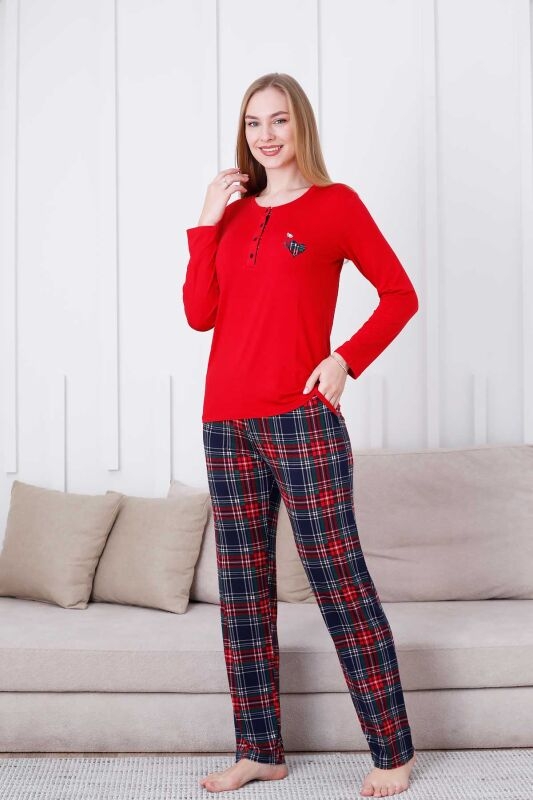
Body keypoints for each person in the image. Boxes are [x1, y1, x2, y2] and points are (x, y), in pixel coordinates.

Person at [183, 72, 418, 797]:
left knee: (338, 582)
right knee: (242, 593)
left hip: (301, 418)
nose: (265, 135)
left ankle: (392, 753)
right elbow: (198, 314)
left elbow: (400, 294)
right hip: (225, 423)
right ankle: (260, 751)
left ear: (300, 126)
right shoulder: (231, 217)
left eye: (279, 120)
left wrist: (344, 360)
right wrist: (204, 221)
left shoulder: (335, 205)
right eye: (253, 123)